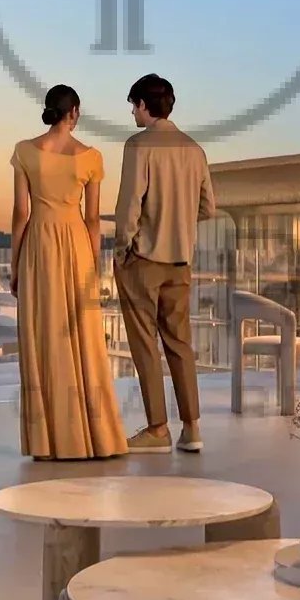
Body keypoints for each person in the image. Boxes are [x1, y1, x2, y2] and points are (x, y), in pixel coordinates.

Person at [8, 84, 126, 460]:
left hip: (38, 246)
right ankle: (96, 437)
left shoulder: (25, 151)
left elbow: (20, 214)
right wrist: (93, 266)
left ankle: (48, 442)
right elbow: (93, 219)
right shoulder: (89, 157)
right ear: (74, 112)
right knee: (83, 339)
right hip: (75, 245)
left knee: (43, 338)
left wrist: (14, 263)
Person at [110, 72, 215, 454]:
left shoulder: (138, 147)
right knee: (180, 344)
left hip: (144, 258)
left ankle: (157, 429)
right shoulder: (194, 149)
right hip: (181, 261)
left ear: (142, 105)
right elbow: (208, 206)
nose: (132, 114)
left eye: (132, 106)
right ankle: (192, 427)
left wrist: (123, 248)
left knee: (144, 345)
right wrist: (179, 222)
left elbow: (128, 208)